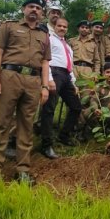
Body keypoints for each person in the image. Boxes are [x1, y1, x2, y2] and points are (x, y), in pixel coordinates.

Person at [0, 0, 51, 185]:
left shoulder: (44, 35)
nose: (34, 10)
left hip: (33, 80)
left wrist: (45, 86)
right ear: (23, 9)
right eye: (31, 7)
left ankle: (23, 169)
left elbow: (45, 62)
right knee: (1, 123)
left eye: (38, 8)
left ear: (42, 13)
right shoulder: (8, 27)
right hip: (9, 77)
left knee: (26, 126)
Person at [38, 18, 83, 159]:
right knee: (49, 109)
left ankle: (64, 135)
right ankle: (46, 145)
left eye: (65, 26)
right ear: (54, 26)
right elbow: (44, 60)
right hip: (54, 73)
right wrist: (49, 78)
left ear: (67, 29)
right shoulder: (49, 39)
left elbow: (70, 66)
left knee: (76, 107)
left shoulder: (67, 46)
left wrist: (74, 84)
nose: (62, 28)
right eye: (59, 26)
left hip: (66, 76)